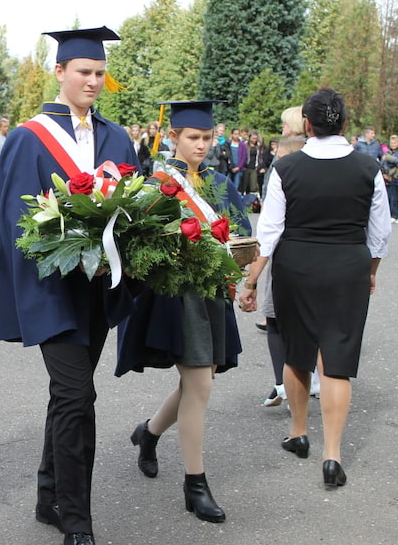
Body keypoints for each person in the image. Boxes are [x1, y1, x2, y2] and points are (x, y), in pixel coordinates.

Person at [0, 26, 138, 545]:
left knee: (67, 397)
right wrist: (67, 259)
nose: (93, 81)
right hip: (51, 291)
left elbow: (134, 212)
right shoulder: (28, 139)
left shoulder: (118, 138)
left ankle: (47, 494)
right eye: (84, 72)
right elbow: (14, 222)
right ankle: (77, 520)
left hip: (99, 291)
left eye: (100, 73)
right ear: (60, 72)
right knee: (78, 400)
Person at [238, 88, 392, 489]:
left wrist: (252, 281)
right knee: (337, 361)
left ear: (307, 125)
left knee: (297, 353)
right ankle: (333, 455)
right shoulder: (367, 167)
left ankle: (299, 432)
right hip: (348, 266)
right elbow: (380, 234)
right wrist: (370, 270)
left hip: (296, 266)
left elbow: (268, 233)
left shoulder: (286, 170)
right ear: (344, 124)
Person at [118, 100, 250, 524]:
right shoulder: (155, 180)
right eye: (193, 137)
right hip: (176, 296)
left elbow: (238, 228)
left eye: (207, 138)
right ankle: (196, 484)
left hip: (212, 291)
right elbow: (137, 243)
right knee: (200, 386)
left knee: (200, 381)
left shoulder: (217, 180)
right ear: (173, 136)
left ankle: (149, 433)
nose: (201, 145)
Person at [256, 135, 306, 406]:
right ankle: (303, 382)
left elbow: (269, 229)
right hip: (321, 261)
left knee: (275, 321)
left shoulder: (284, 177)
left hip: (284, 257)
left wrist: (251, 280)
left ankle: (283, 384)